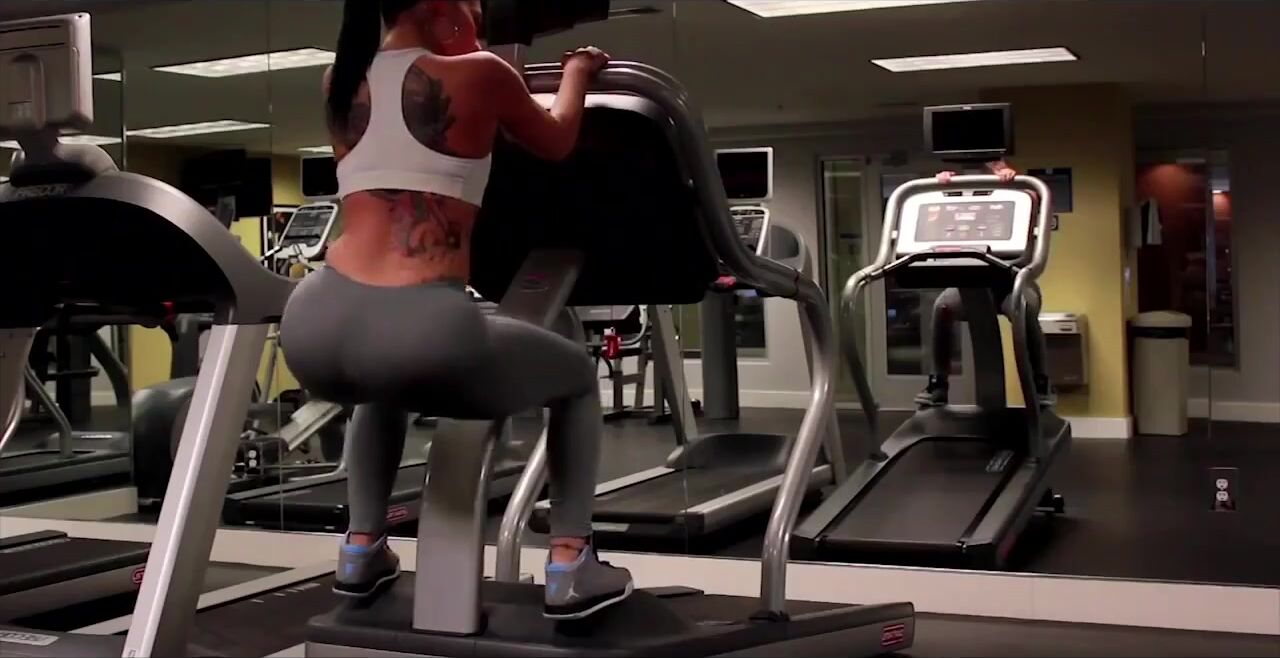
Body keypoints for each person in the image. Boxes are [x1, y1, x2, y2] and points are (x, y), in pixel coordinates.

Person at [278, 0, 632, 621]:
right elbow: (557, 139)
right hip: (422, 319)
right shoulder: (482, 72)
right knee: (577, 377)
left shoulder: (340, 79)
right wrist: (576, 70)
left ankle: (360, 550)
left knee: (380, 385)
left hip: (314, 318)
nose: (478, 8)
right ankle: (572, 562)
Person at [915, 160, 1056, 409]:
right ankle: (938, 384)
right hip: (972, 281)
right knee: (942, 307)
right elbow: (939, 213)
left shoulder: (1016, 195)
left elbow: (1035, 197)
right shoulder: (963, 198)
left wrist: (1012, 179)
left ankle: (1041, 383)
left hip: (1012, 280)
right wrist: (942, 185)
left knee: (1024, 310)